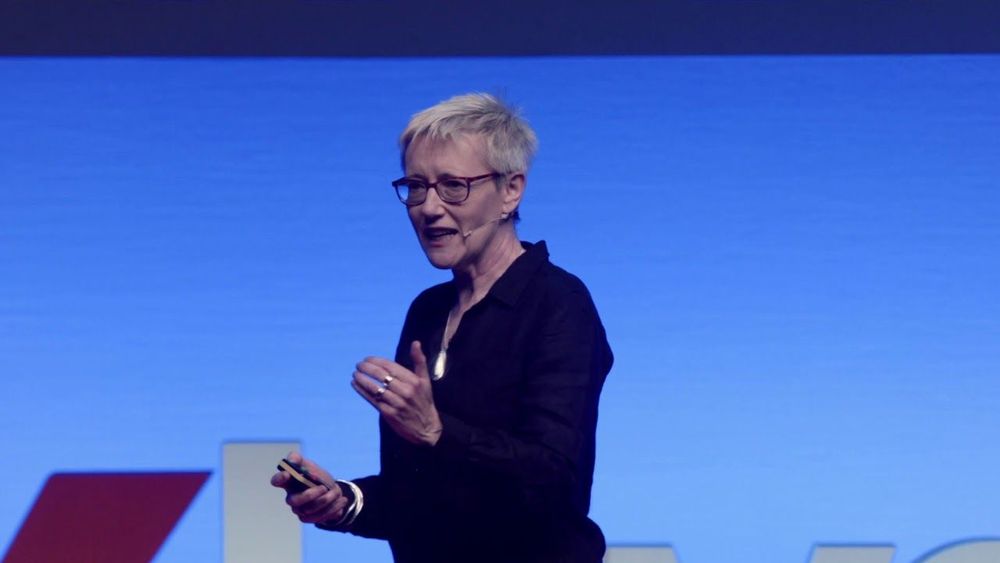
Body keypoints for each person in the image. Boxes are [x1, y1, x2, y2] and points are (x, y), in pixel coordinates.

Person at [271, 93, 613, 562]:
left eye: (453, 186)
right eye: (416, 186)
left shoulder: (558, 304)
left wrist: (437, 432)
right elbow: (423, 495)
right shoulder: (428, 312)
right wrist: (344, 501)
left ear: (511, 190)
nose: (428, 207)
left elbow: (552, 481)